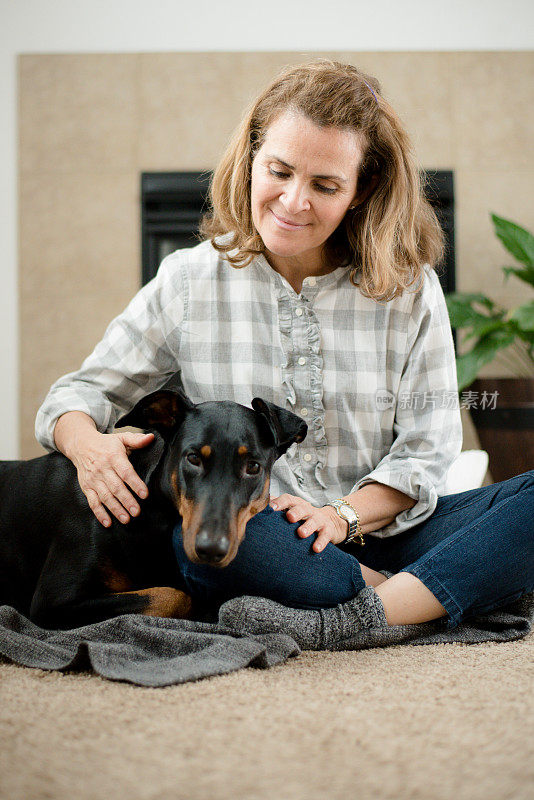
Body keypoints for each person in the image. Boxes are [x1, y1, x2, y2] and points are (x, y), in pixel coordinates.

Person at [36, 60, 534, 648]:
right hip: (268, 543)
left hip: (392, 529)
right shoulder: (189, 281)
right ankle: (434, 596)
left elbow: (428, 451)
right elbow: (78, 394)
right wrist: (88, 447)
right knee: (199, 548)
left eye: (325, 185)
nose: (293, 202)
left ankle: (355, 615)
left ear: (361, 190)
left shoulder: (409, 288)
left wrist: (342, 517)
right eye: (279, 171)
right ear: (251, 159)